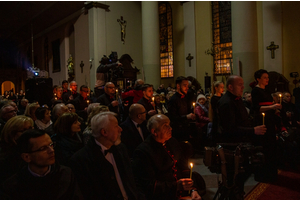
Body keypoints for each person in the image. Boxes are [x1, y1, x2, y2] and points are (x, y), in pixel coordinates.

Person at [69, 111, 143, 200]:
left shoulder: (121, 148)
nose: (120, 129)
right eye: (116, 126)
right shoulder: (81, 159)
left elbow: (131, 178)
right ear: (104, 132)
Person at [132, 114, 204, 200]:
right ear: (154, 132)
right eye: (165, 126)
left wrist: (193, 189)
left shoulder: (172, 141)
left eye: (169, 125)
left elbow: (184, 167)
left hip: (183, 191)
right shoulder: (143, 152)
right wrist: (176, 186)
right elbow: (148, 185)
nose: (170, 128)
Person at [3, 129, 82, 199]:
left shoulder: (66, 174)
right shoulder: (13, 186)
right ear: (27, 157)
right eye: (43, 148)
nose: (51, 150)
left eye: (51, 145)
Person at [251, 70, 282, 182]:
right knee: (264, 146)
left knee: (271, 147)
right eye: (264, 77)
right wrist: (272, 107)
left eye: (267, 77)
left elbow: (270, 105)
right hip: (261, 120)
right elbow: (256, 108)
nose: (267, 79)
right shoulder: (255, 91)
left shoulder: (267, 90)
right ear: (258, 79)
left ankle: (271, 173)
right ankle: (263, 174)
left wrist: (275, 109)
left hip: (270, 119)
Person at [0, 116, 33, 189]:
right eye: (24, 130)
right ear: (12, 133)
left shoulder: (28, 149)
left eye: (30, 129)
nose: (29, 133)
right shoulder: (7, 157)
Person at [167, 76, 196, 141]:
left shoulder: (186, 97)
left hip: (186, 129)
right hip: (178, 132)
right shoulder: (173, 100)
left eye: (187, 86)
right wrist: (186, 117)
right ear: (178, 86)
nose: (187, 88)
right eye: (185, 85)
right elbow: (172, 118)